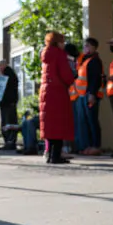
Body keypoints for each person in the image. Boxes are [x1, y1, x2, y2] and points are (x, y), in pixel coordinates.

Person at [40, 31, 76, 164]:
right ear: (57, 42)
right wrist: (73, 76)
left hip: (46, 92)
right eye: (62, 41)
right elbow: (66, 75)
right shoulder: (59, 54)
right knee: (59, 124)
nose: (64, 44)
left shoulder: (45, 54)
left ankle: (50, 155)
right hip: (58, 92)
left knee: (50, 125)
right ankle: (56, 156)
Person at [76, 38, 105, 156]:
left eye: (88, 46)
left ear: (94, 47)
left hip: (90, 96)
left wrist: (92, 94)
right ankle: (87, 146)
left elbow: (95, 80)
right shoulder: (84, 60)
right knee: (84, 122)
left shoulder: (95, 61)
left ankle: (95, 146)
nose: (85, 48)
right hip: (82, 96)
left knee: (92, 121)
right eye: (85, 46)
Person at [64, 42, 87, 155]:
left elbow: (76, 76)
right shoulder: (77, 60)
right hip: (74, 95)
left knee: (79, 123)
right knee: (75, 123)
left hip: (79, 95)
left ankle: (80, 146)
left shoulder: (81, 59)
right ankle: (77, 146)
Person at [0, 60, 20, 151]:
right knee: (9, 123)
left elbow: (4, 90)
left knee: (7, 123)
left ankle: (9, 142)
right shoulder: (11, 75)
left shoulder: (7, 75)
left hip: (7, 103)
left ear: (4, 66)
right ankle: (10, 142)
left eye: (0, 66)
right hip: (9, 103)